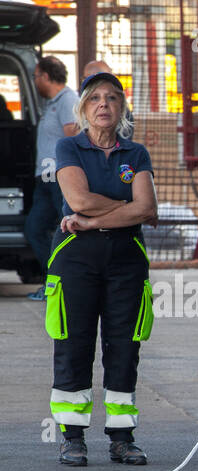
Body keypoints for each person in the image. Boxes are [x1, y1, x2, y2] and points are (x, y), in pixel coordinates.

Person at [47, 72, 157, 467]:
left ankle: (122, 438)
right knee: (74, 344)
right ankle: (72, 437)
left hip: (126, 260)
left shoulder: (136, 154)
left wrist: (93, 218)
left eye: (112, 97)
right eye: (95, 98)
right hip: (76, 259)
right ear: (84, 108)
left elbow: (148, 209)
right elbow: (77, 197)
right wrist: (122, 210)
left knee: (125, 347)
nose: (104, 104)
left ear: (122, 107)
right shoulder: (69, 147)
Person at [25, 56, 78, 302]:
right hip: (45, 177)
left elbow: (73, 137)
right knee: (35, 228)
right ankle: (54, 282)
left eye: (36, 76)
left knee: (67, 229)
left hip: (59, 176)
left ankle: (68, 283)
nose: (35, 81)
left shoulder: (67, 100)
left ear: (46, 76)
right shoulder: (52, 104)